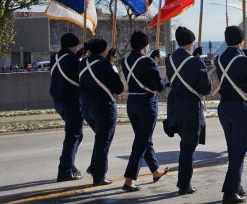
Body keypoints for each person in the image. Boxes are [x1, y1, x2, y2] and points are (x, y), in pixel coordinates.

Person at [215, 26, 247, 204]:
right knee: (238, 153)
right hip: (239, 108)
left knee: (233, 151)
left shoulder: (219, 59)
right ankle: (229, 192)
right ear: (241, 40)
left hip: (223, 108)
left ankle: (237, 185)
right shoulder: (244, 60)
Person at [165, 26, 211, 195]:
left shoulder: (169, 59)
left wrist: (194, 59)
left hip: (175, 105)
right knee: (188, 147)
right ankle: (184, 184)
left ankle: (184, 181)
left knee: (185, 144)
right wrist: (199, 62)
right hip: (190, 106)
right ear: (191, 42)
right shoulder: (195, 62)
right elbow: (205, 89)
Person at [121, 31, 168, 192]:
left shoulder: (125, 61)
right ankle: (129, 179)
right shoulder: (147, 61)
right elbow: (159, 86)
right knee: (141, 141)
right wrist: (154, 62)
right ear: (145, 45)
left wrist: (152, 61)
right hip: (146, 102)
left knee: (143, 138)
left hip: (132, 102)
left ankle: (155, 171)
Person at [79, 39, 124, 186]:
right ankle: (99, 176)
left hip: (87, 108)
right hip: (104, 108)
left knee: (100, 139)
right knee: (103, 142)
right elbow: (119, 88)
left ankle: (94, 167)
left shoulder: (82, 63)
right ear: (103, 51)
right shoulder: (105, 65)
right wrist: (112, 65)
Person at [50, 33, 86, 182]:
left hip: (58, 100)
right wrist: (80, 58)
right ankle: (65, 170)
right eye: (76, 45)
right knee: (73, 135)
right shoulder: (74, 60)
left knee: (76, 134)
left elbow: (68, 63)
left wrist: (78, 55)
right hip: (71, 101)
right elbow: (79, 74)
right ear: (72, 45)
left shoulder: (55, 57)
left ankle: (68, 163)